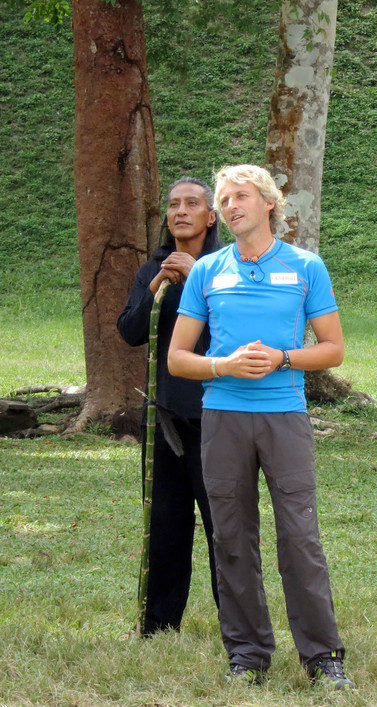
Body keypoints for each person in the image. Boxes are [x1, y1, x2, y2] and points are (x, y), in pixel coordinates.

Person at [168, 165, 354, 689]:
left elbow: (333, 350)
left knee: (299, 537)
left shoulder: (305, 267)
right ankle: (247, 656)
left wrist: (282, 358)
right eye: (223, 199)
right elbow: (178, 359)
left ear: (268, 202)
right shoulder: (208, 271)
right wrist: (222, 366)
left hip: (284, 418)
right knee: (231, 538)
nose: (230, 206)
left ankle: (323, 657)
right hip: (223, 418)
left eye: (240, 196)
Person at [117, 176, 221, 636]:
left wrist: (196, 272)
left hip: (217, 416)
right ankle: (158, 625)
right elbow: (131, 331)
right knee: (165, 524)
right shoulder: (153, 269)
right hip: (164, 418)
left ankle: (235, 624)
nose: (180, 211)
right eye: (174, 204)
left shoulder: (227, 267)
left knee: (223, 525)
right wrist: (159, 280)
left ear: (210, 216)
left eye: (192, 204)